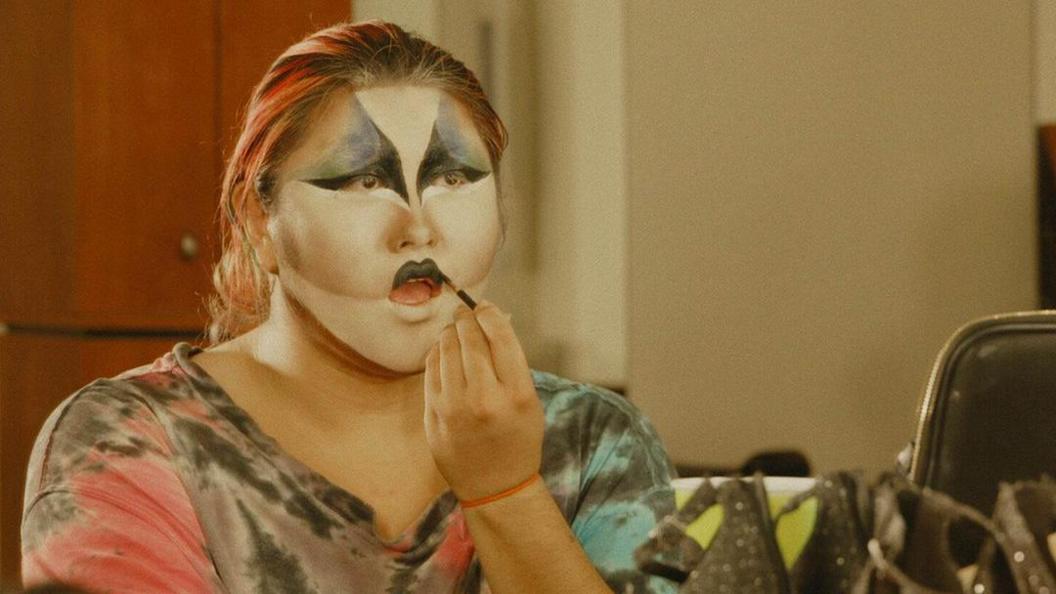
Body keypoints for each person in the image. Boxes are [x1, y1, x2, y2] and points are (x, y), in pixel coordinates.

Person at [21, 21, 677, 593]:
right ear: (258, 222)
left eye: (452, 177)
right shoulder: (128, 442)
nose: (417, 227)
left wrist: (506, 492)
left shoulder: (596, 442)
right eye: (364, 179)